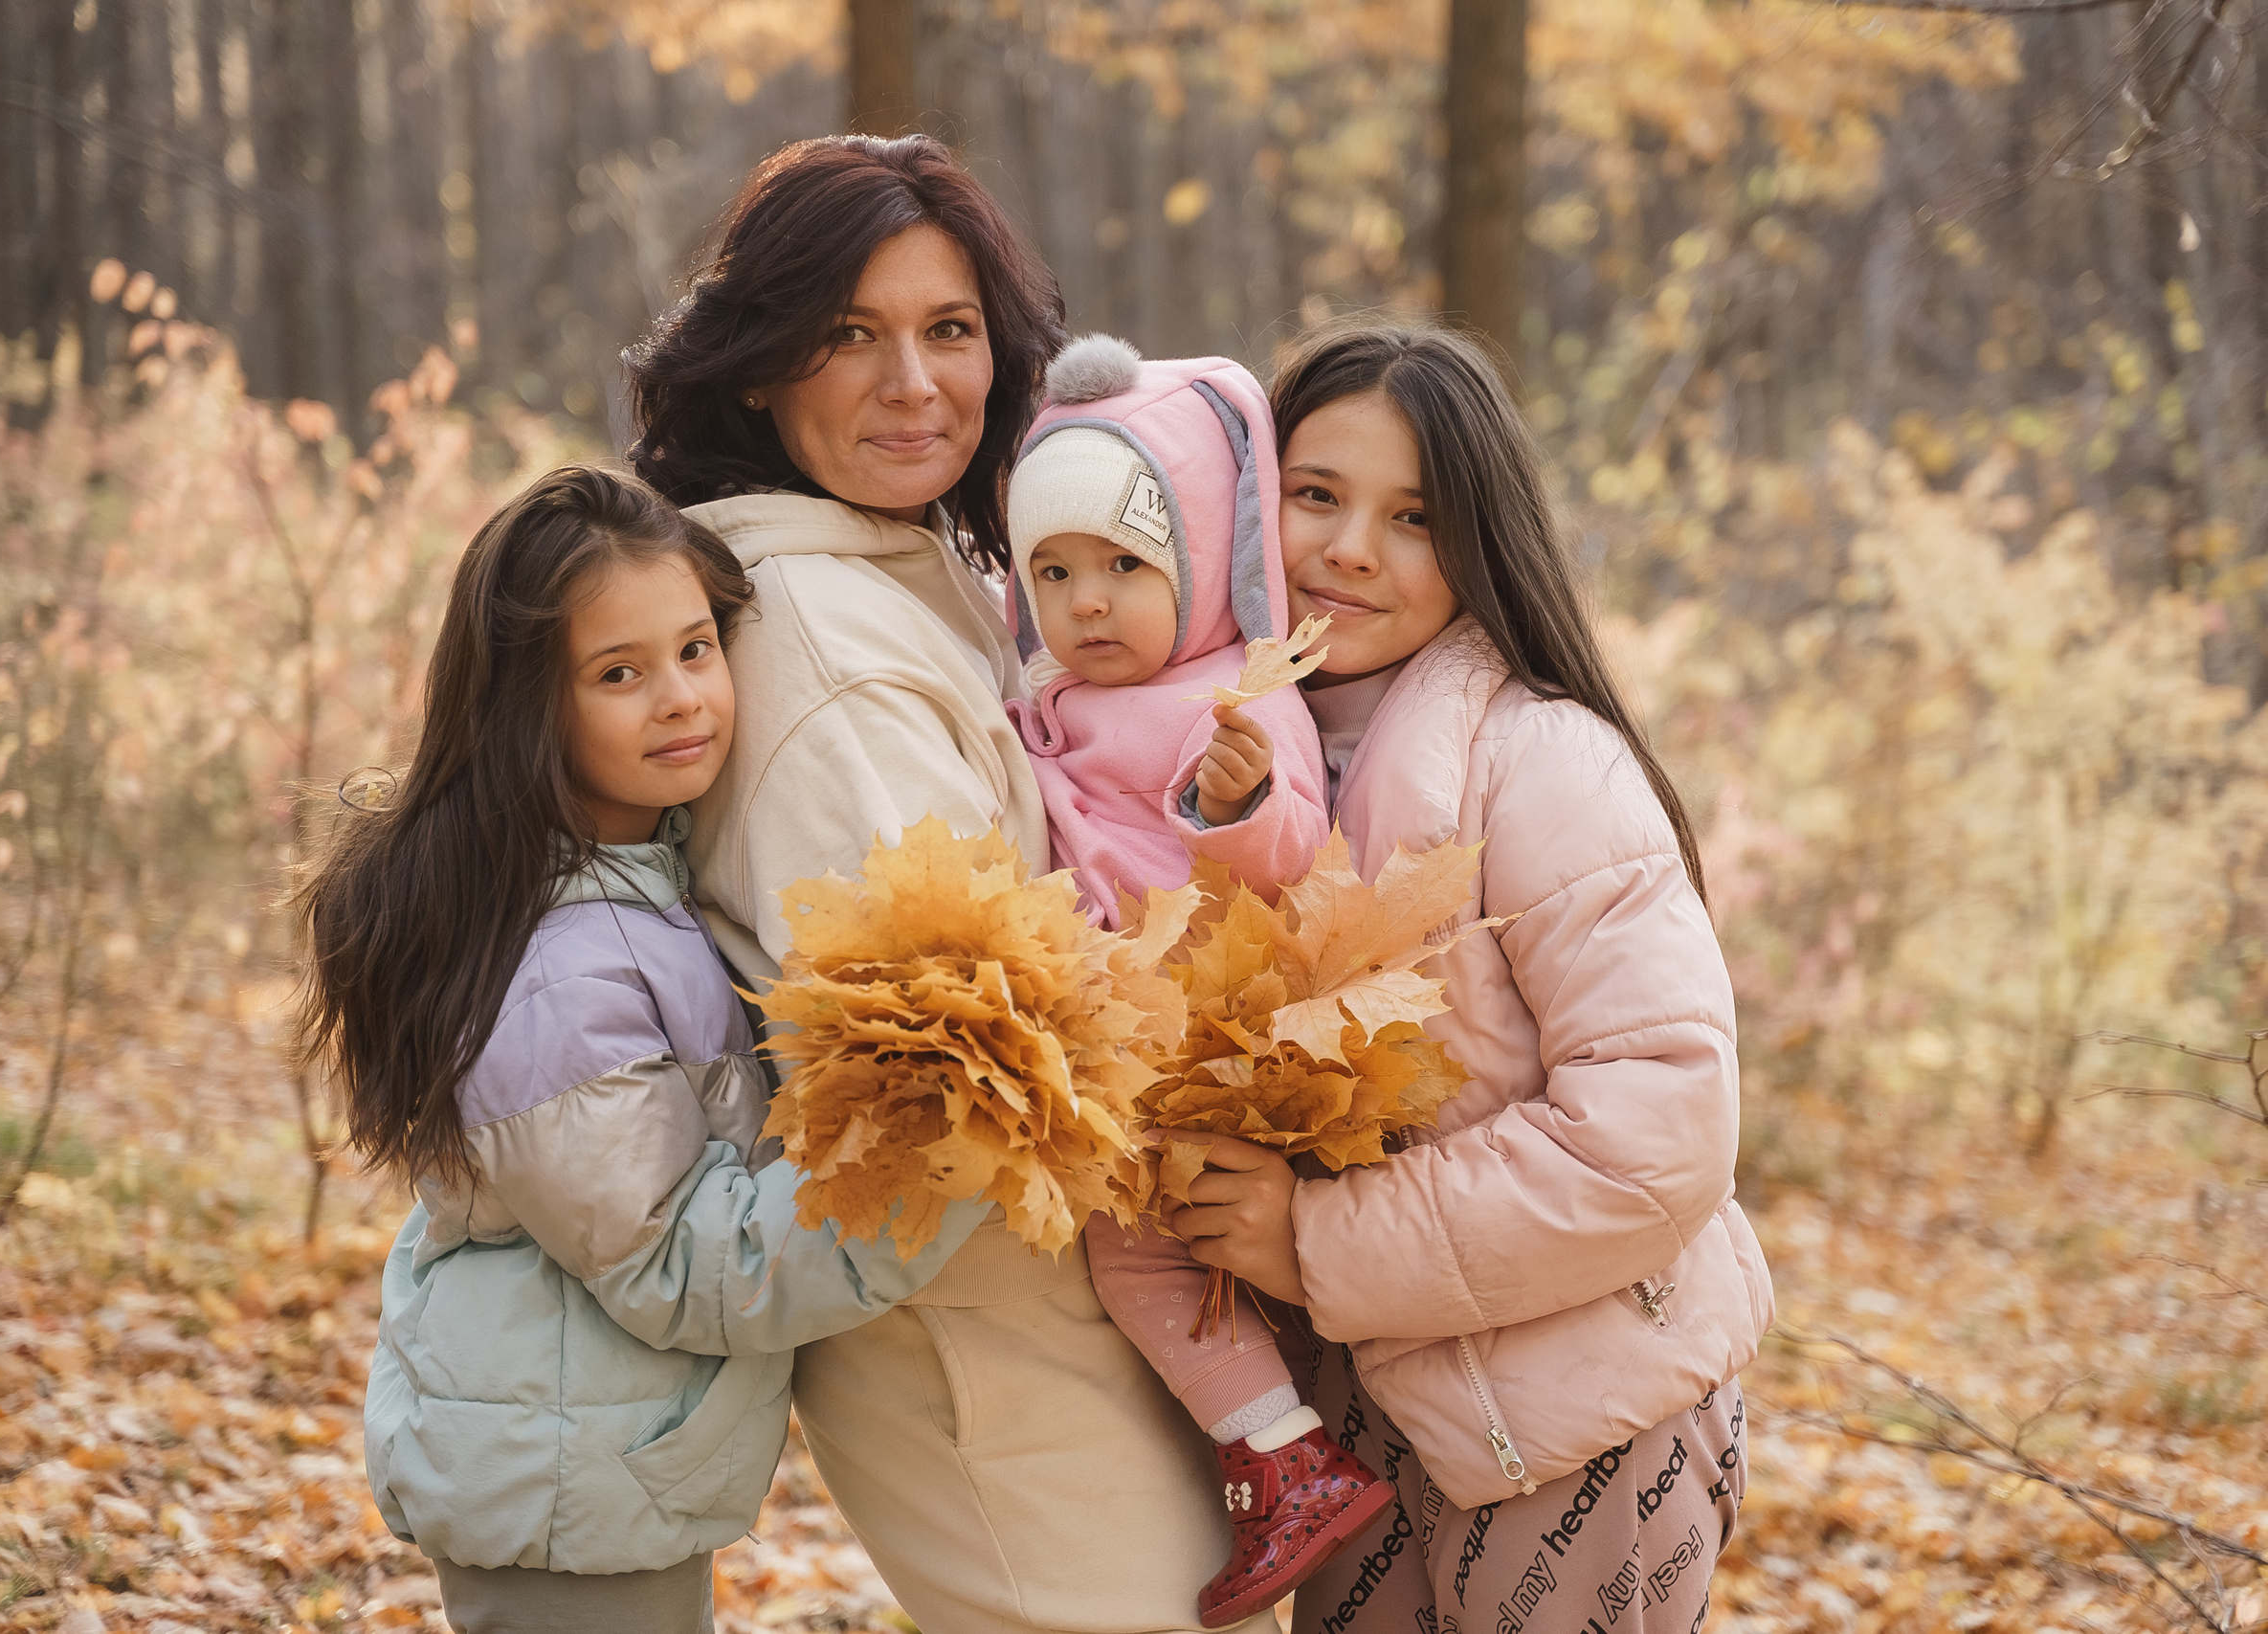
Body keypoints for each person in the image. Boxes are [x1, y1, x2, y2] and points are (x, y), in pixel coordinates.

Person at [626, 135, 1282, 1634]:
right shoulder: (817, 639)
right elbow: (959, 1037)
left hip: (1070, 1277)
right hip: (977, 1303)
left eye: (949, 329)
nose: (913, 382)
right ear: (756, 369)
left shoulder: (913, 575)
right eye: (847, 334)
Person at [296, 467, 987, 1634]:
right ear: (528, 707)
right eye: (619, 673)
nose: (681, 699)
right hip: (563, 1498)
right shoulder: (557, 972)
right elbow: (679, 1260)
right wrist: (942, 1161)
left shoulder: (628, 887)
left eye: (696, 648)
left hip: (585, 1466)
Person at [1161, 324, 1776, 1632]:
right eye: (1316, 494)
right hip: (1370, 1420)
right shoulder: (1224, 768)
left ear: (1480, 540)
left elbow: (1658, 1133)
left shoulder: (1544, 760)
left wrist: (1316, 1240)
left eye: (1414, 517)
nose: (1348, 550)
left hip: (1584, 1419)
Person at [1002, 331, 1390, 1624]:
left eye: (1125, 563)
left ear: (1210, 556)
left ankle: (1284, 1458)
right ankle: (1275, 1448)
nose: (1090, 601)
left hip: (1199, 1027)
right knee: (1164, 1267)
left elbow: (1293, 846)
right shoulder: (1063, 693)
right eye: (1055, 571)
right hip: (1122, 1029)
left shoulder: (1230, 694)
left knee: (1143, 1268)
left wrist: (1237, 803)